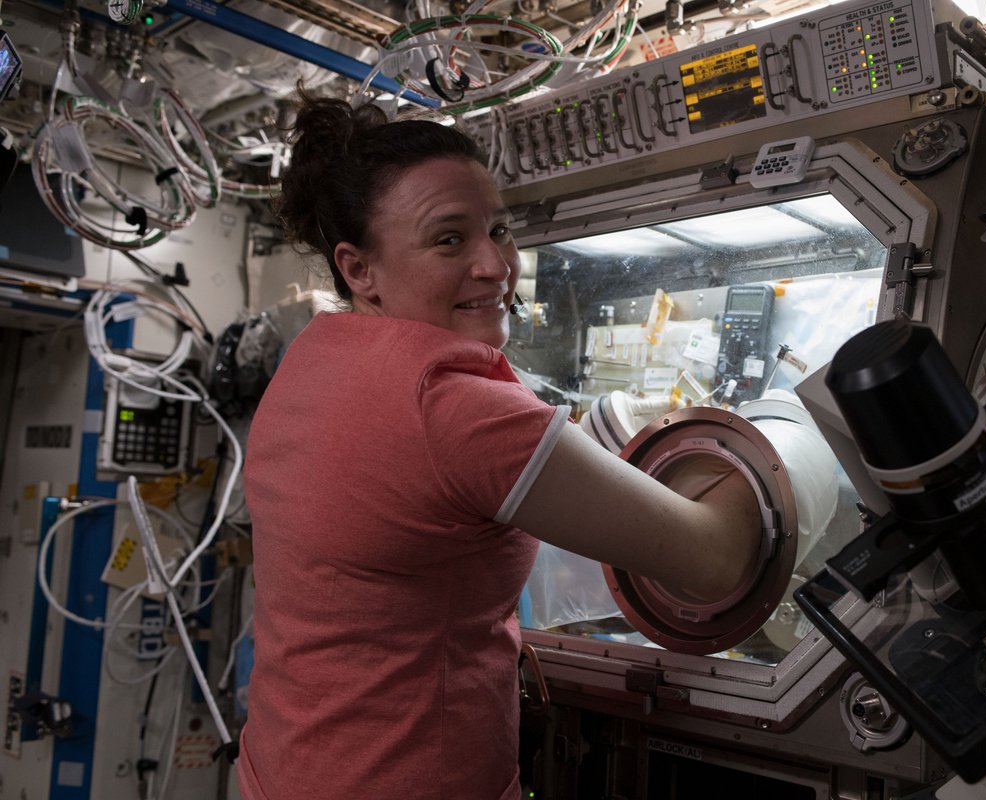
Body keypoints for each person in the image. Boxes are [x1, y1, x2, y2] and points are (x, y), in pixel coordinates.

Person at [237, 89, 763, 800]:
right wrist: (792, 421)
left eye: (501, 230)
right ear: (358, 269)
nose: (496, 265)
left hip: (283, 769)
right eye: (449, 240)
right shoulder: (452, 408)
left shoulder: (314, 361)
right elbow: (716, 559)